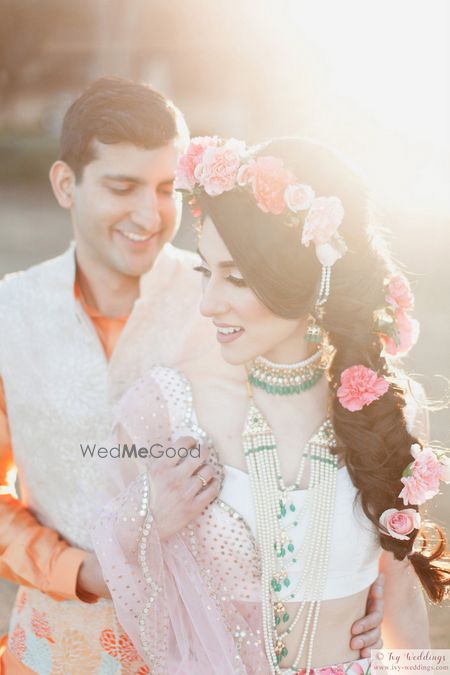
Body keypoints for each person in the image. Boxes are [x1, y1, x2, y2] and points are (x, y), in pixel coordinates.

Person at [0, 80, 383, 673]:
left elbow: (313, 447)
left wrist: (350, 587)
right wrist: (81, 570)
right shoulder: (10, 314)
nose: (149, 215)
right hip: (55, 645)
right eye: (121, 187)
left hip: (212, 647)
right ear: (64, 185)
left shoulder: (231, 303)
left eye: (164, 189)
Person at [91, 136, 450, 674]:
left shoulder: (386, 411)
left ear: (310, 276)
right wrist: (149, 522)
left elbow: (400, 598)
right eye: (205, 272)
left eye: (235, 277)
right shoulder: (167, 408)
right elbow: (118, 579)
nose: (210, 303)